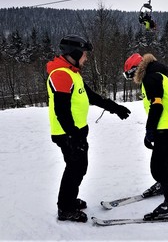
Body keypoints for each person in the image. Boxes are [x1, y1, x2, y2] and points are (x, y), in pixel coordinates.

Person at [46, 34, 131, 222]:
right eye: (84, 54)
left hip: (75, 131)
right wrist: (73, 135)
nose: (86, 58)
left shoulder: (72, 73)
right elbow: (61, 111)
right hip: (67, 133)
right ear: (74, 53)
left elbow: (91, 97)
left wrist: (114, 108)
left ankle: (69, 200)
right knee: (75, 168)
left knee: (78, 167)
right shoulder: (61, 74)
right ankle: (65, 208)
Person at [123, 53, 168, 220]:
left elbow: (157, 105)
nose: (132, 78)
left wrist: (150, 130)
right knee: (164, 165)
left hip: (166, 128)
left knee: (157, 168)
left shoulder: (150, 78)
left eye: (130, 74)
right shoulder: (159, 75)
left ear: (136, 69)